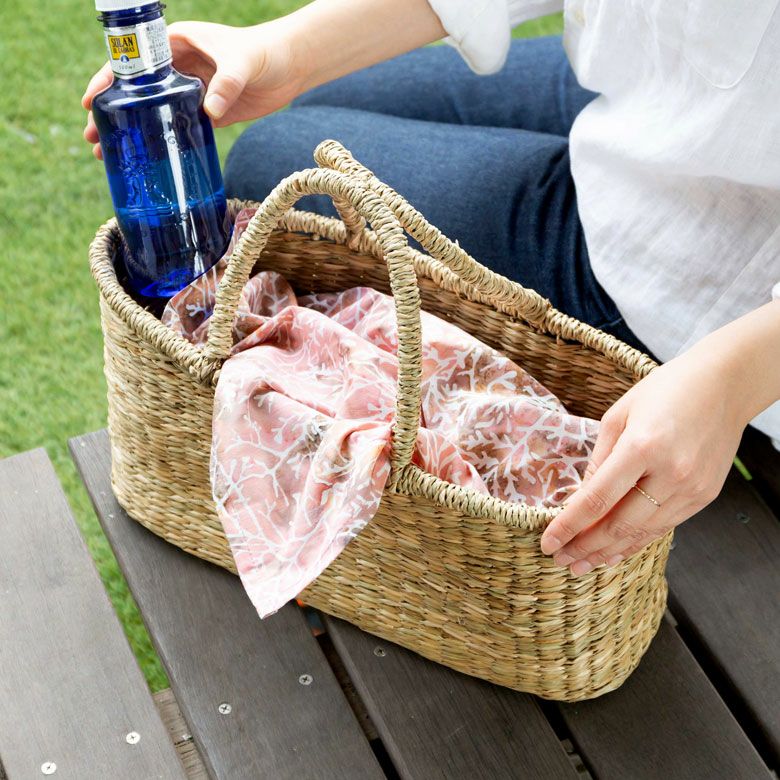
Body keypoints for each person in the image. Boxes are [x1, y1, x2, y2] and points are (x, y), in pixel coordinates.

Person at [82, 0, 780, 576]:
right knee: (311, 104)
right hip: (668, 85)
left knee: (272, 156)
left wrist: (734, 379)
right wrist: (281, 51)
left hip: (705, 264)